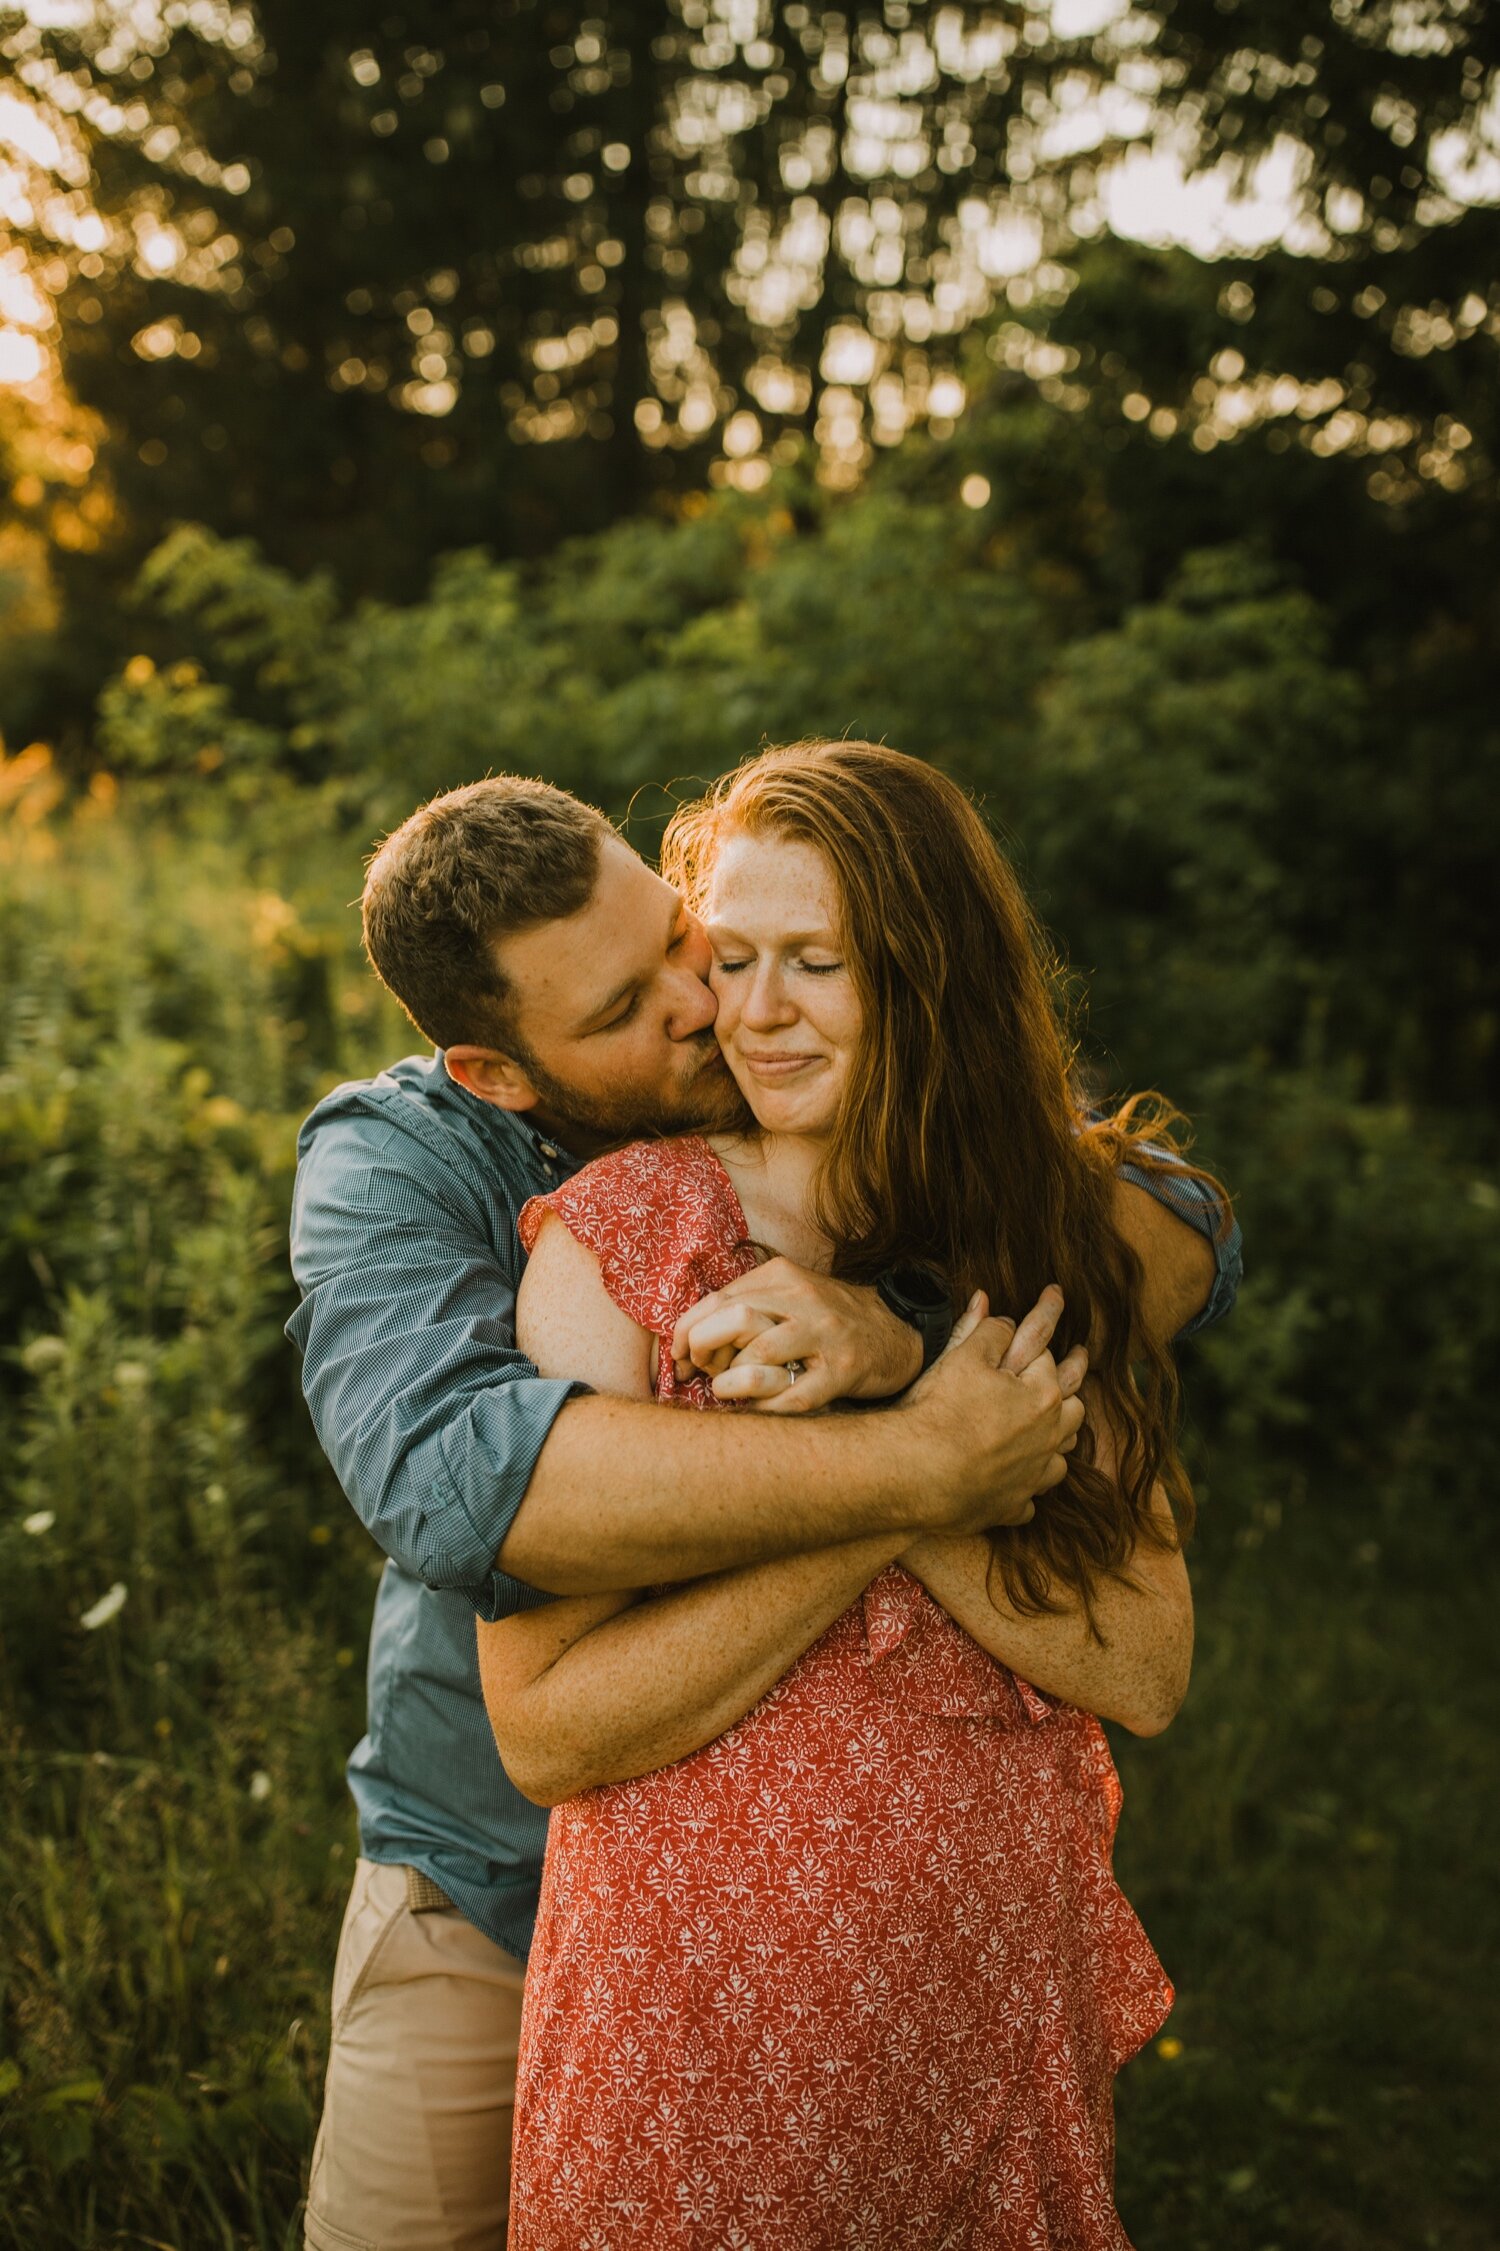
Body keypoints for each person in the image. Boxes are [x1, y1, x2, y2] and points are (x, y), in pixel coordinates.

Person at [287, 771, 1240, 2251]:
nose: (706, 1008)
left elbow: (1169, 1213)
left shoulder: (906, 1135)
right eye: (628, 1007)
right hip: (485, 1873)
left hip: (940, 1966)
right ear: (503, 1070)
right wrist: (921, 1460)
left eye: (690, 945)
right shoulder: (414, 1166)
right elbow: (459, 1480)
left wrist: (907, 1336)